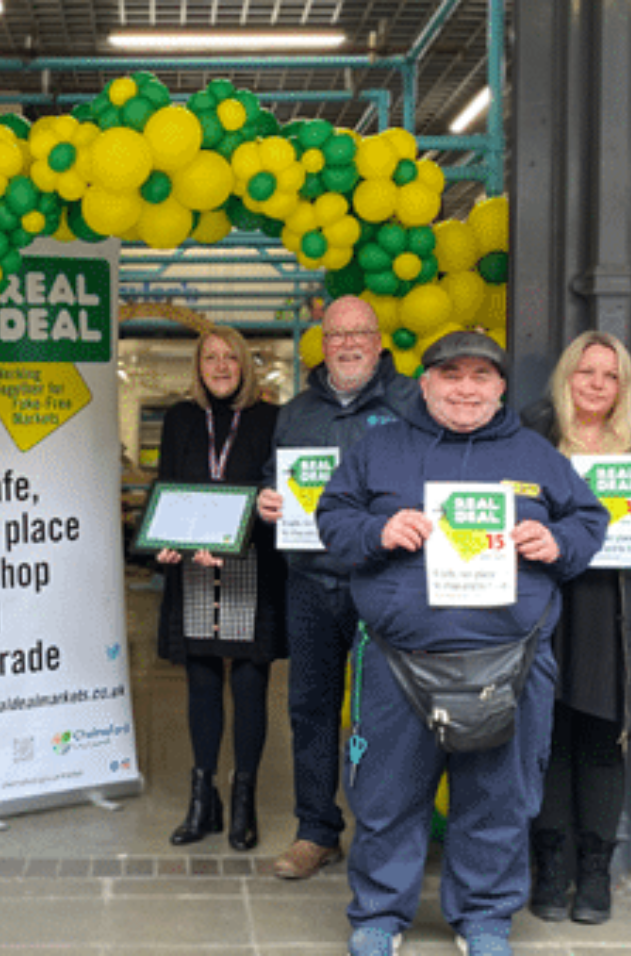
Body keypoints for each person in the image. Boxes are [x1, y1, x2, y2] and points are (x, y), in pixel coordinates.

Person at [318, 331, 608, 956]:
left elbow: (589, 520)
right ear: (425, 383)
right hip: (399, 659)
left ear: (501, 388)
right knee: (387, 793)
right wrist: (378, 527)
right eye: (452, 375)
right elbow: (332, 518)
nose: (466, 388)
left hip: (510, 659)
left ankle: (483, 918)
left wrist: (560, 544)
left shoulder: (536, 455)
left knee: (497, 796)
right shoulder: (380, 449)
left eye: (481, 376)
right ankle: (379, 914)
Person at [520, 331, 631, 925]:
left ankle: (595, 875)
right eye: (585, 372)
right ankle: (551, 869)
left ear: (624, 386)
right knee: (545, 746)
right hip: (545, 607)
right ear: (566, 378)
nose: (596, 384)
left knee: (599, 747)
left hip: (614, 615)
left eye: (609, 375)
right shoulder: (532, 438)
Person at [255, 295, 418, 880]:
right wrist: (268, 499)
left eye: (359, 334)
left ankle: (384, 833)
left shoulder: (411, 403)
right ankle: (315, 831)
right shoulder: (295, 412)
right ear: (322, 344)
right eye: (336, 335)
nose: (347, 345)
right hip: (310, 580)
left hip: (384, 580)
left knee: (387, 713)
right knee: (310, 707)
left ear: (378, 341)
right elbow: (275, 479)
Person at [154, 326, 285, 851]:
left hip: (249, 562)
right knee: (202, 683)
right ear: (199, 364)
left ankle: (243, 800)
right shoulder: (180, 418)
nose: (221, 365)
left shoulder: (270, 419)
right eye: (211, 357)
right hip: (190, 565)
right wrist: (162, 541)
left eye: (231, 356)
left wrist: (232, 541)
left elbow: (274, 495)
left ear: (245, 364)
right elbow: (166, 484)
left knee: (251, 684)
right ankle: (203, 800)